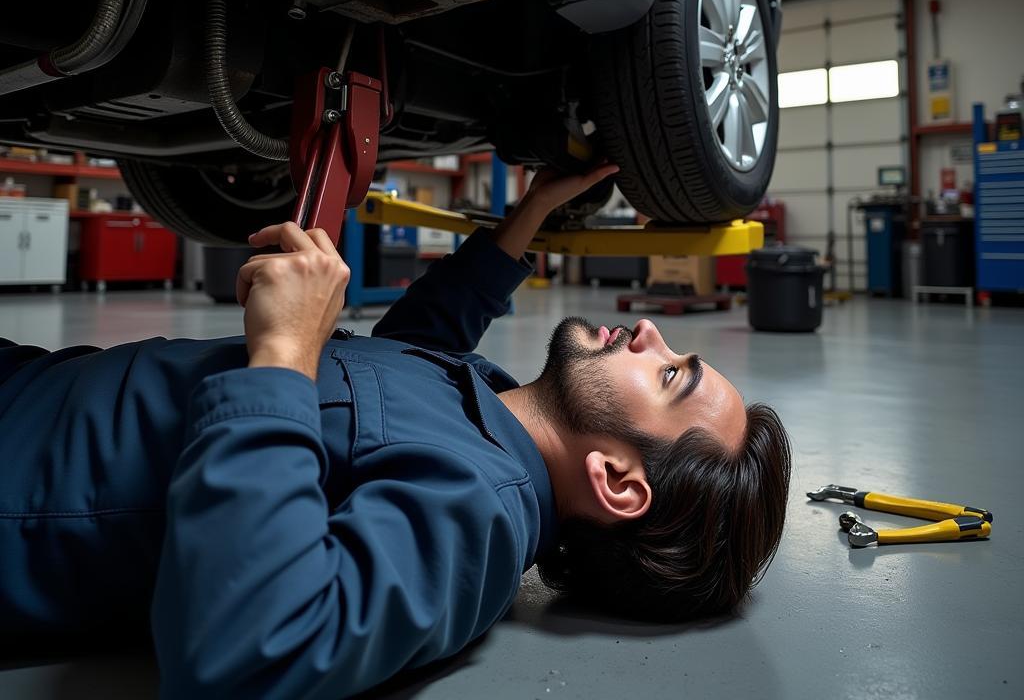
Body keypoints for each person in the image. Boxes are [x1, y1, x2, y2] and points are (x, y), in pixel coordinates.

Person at [0, 164, 790, 699]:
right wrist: (533, 212)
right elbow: (410, 355)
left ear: (617, 480)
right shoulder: (487, 407)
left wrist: (282, 354)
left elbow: (247, 658)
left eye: (670, 375)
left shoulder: (478, 512)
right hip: (30, 382)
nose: (649, 330)